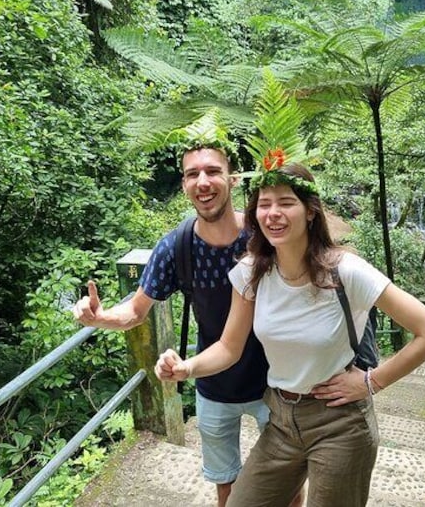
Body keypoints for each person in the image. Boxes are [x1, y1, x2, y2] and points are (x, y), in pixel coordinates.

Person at [155, 162, 425, 506]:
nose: (273, 214)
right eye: (264, 204)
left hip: (339, 422)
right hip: (280, 419)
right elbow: (228, 347)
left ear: (310, 211)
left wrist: (373, 381)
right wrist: (186, 368)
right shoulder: (251, 272)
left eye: (286, 203)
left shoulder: (346, 270)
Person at [73, 145, 303, 507]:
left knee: (288, 483)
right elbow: (135, 310)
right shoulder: (175, 248)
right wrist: (99, 317)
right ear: (183, 184)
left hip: (278, 383)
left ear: (232, 178)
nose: (203, 181)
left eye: (212, 171)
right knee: (226, 484)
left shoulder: (265, 235)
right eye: (192, 174)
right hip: (213, 381)